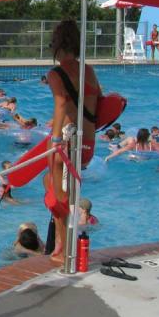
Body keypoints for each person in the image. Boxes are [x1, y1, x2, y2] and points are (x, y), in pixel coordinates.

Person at [44, 19, 101, 263]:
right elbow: (97, 99)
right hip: (86, 141)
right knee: (60, 189)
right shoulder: (87, 69)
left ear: (57, 44)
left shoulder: (56, 73)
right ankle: (60, 243)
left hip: (65, 141)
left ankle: (64, 248)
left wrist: (56, 137)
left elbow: (60, 103)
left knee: (58, 195)